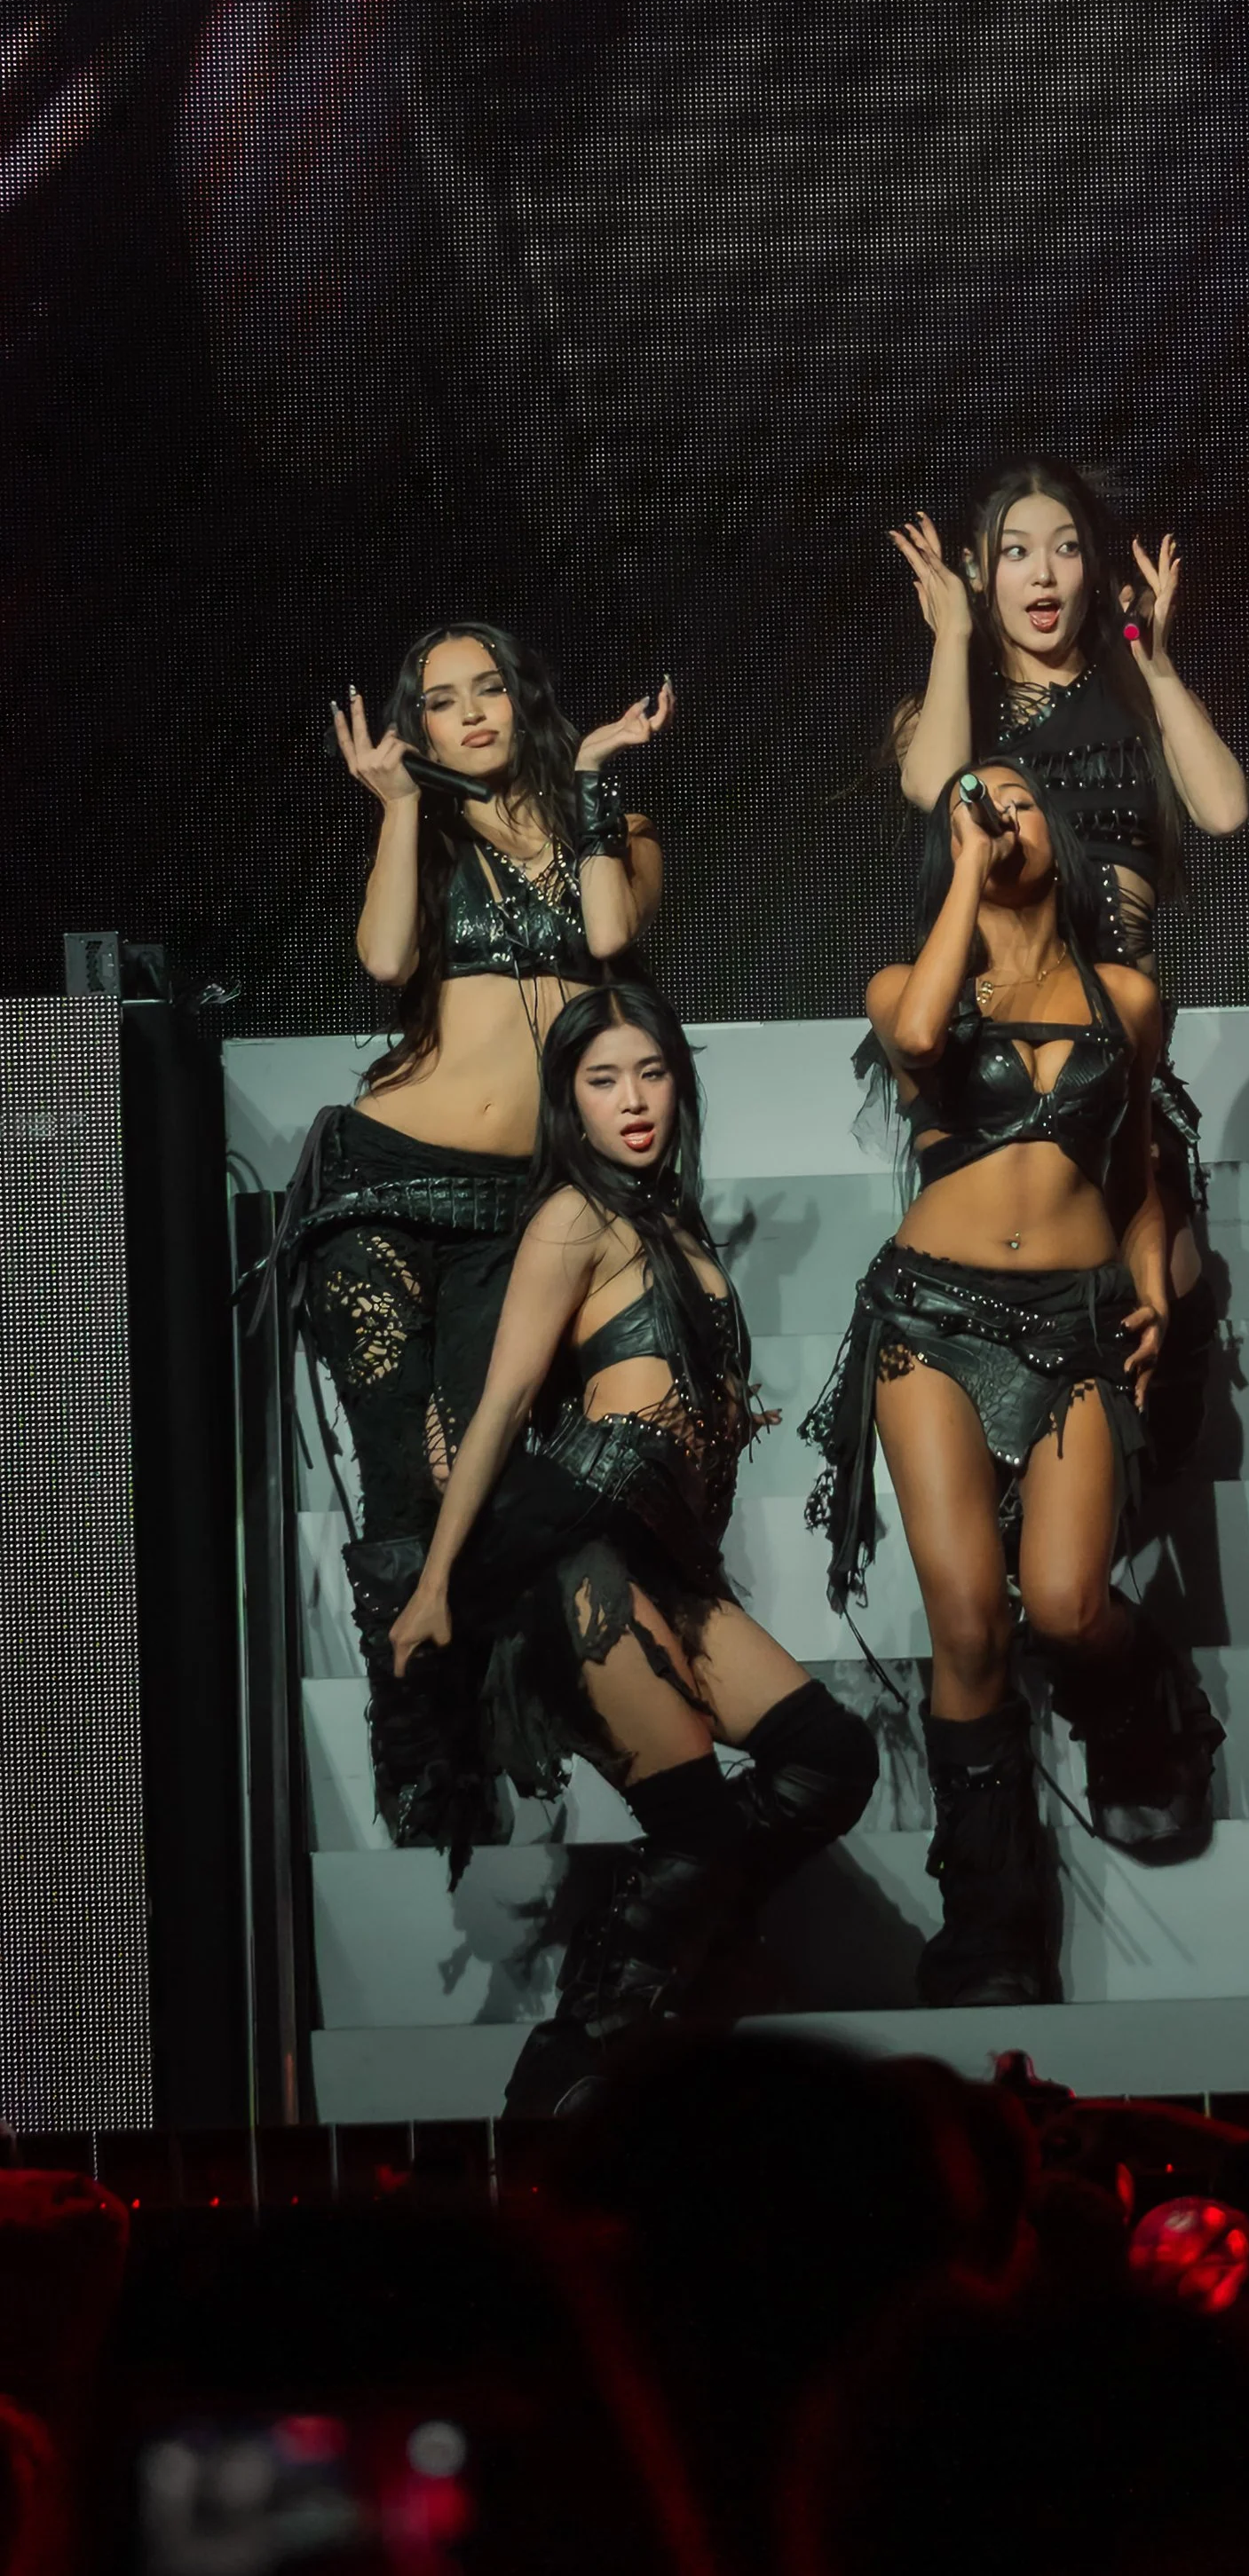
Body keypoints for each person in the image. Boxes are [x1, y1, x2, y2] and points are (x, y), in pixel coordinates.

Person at [388, 984, 876, 2113]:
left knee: (828, 1761)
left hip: (659, 1556)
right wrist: (435, 1581)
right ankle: (566, 2078)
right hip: (575, 1547)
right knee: (698, 1821)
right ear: (569, 1101)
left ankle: (681, 1952)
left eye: (650, 1073)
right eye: (602, 1081)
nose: (633, 1100)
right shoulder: (575, 1216)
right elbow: (506, 1399)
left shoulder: (671, 1219)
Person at [802, 760, 1222, 2005]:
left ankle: (1140, 1687)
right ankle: (990, 1919)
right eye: (969, 809)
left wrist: (1152, 1288)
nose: (1000, 819)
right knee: (971, 1624)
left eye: (1020, 802)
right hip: (931, 1314)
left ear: (1060, 832)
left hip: (1077, 1320)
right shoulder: (906, 985)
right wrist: (969, 887)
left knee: (1064, 1599)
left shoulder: (1128, 996)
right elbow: (925, 1036)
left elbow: (1137, 1169)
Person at [273, 623, 671, 1843]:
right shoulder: (427, 832)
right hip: (385, 1188)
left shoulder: (616, 830)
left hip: (520, 1210)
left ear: (521, 696)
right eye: (442, 701)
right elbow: (386, 954)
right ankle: (421, 1751)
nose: (471, 713)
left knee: (469, 1473)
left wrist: (598, 785)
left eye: (487, 687)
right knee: (402, 1464)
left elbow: (608, 937)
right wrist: (394, 808)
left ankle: (481, 1712)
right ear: (424, 727)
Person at [889, 459, 1248, 1467]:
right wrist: (952, 639)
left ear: (1094, 570)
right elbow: (930, 788)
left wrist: (1162, 663)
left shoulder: (1134, 695)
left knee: (1158, 1301)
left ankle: (1097, 1555)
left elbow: (1223, 808)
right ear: (978, 573)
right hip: (1001, 1065)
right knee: (997, 1304)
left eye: (1063, 548)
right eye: (1013, 552)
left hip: (1115, 1057)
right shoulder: (965, 706)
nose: (1041, 574)